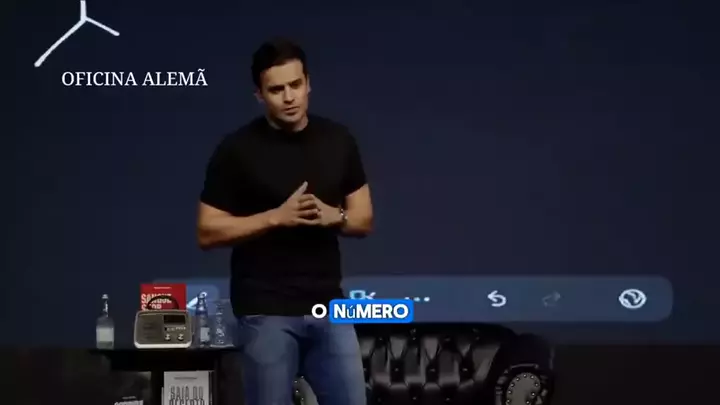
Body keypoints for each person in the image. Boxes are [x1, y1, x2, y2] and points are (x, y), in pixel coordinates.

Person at [196, 38, 373, 405]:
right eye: (276, 90)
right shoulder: (236, 150)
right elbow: (207, 230)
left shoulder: (339, 140)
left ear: (309, 83)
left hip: (328, 307)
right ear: (259, 95)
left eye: (295, 85)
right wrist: (276, 217)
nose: (289, 97)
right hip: (265, 311)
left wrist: (335, 216)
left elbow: (363, 219)